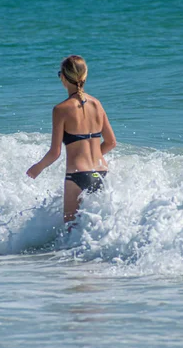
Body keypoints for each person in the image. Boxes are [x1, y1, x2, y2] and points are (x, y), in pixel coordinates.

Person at [26, 55, 116, 223]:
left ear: (63, 77)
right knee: (95, 228)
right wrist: (94, 155)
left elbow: (55, 152)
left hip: (77, 175)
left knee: (70, 231)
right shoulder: (97, 104)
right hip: (101, 172)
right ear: (85, 75)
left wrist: (37, 168)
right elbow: (111, 142)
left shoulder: (61, 109)